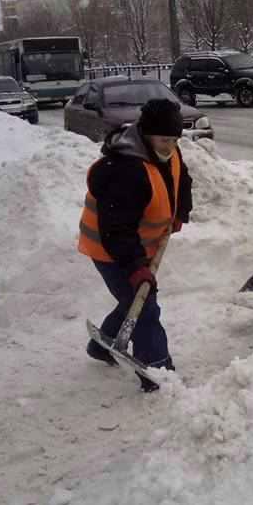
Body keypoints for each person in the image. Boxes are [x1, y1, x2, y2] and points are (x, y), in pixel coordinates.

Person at [77, 99, 193, 392]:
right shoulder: (126, 170)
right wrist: (136, 268)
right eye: (164, 140)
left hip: (138, 244)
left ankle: (102, 345)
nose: (170, 146)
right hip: (109, 248)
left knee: (134, 300)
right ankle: (159, 372)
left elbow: (182, 179)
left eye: (174, 139)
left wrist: (181, 211)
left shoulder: (168, 151)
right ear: (146, 135)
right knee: (145, 306)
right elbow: (117, 231)